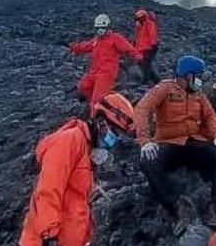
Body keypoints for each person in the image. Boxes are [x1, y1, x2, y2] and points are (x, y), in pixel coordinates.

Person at [19, 93, 136, 246]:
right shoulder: (69, 141)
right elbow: (48, 190)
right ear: (101, 122)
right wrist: (49, 236)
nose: (114, 141)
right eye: (114, 133)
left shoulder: (87, 150)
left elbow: (78, 201)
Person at [135, 55, 216, 231]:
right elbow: (142, 109)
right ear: (188, 75)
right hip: (169, 144)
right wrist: (145, 141)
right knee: (147, 160)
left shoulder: (198, 94)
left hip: (195, 143)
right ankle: (176, 206)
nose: (201, 80)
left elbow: (210, 115)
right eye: (198, 76)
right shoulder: (165, 88)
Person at [69, 13, 141, 114]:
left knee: (97, 100)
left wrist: (138, 56)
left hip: (107, 73)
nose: (99, 30)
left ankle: (95, 117)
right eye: (98, 28)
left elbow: (129, 48)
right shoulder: (96, 40)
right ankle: (104, 101)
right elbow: (86, 46)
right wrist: (75, 47)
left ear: (107, 27)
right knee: (83, 87)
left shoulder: (115, 38)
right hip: (94, 71)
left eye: (102, 27)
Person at [133, 9, 160, 83]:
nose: (138, 20)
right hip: (143, 48)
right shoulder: (140, 26)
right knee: (144, 64)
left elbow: (152, 34)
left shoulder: (149, 23)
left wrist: (153, 44)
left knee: (146, 64)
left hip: (149, 48)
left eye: (139, 18)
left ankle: (147, 80)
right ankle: (155, 80)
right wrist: (135, 44)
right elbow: (138, 37)